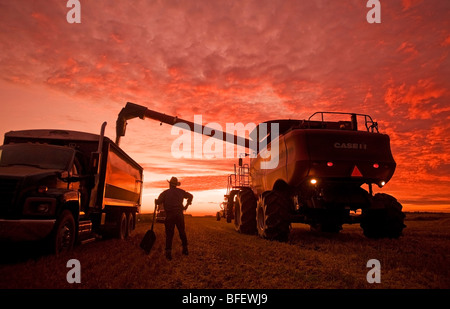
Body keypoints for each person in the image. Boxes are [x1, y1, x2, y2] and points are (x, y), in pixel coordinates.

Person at [156, 176, 193, 260]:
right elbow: (191, 196)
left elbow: (158, 201)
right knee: (182, 232)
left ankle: (168, 253)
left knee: (169, 234)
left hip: (170, 216)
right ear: (176, 185)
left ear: (169, 184)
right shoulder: (181, 192)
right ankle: (185, 250)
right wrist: (187, 205)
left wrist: (156, 201)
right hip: (179, 215)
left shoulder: (165, 193)